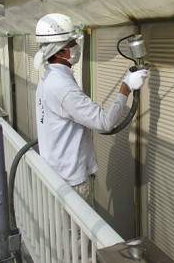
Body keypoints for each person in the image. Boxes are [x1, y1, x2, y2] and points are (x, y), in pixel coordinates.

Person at [33, 13, 147, 205]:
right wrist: (125, 88)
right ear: (59, 52)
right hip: (71, 183)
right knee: (78, 235)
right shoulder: (63, 87)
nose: (76, 47)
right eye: (71, 43)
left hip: (56, 173)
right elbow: (104, 123)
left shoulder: (48, 78)